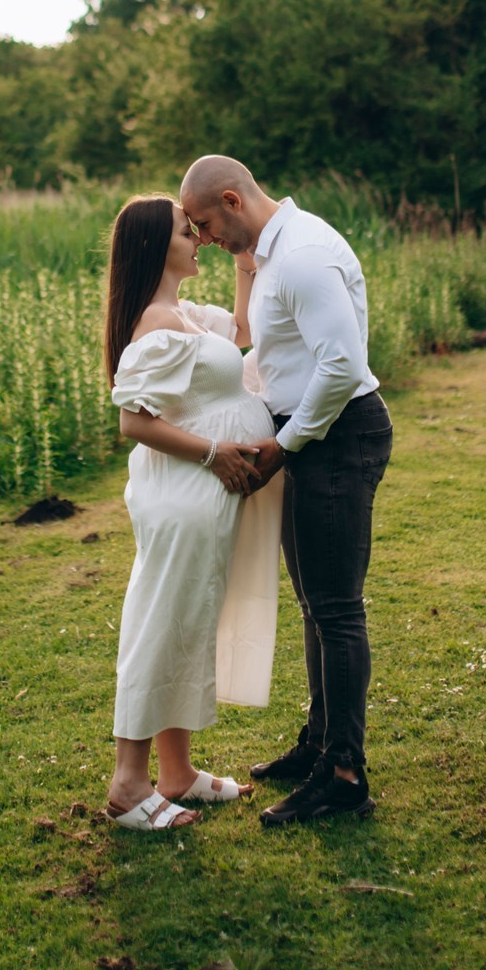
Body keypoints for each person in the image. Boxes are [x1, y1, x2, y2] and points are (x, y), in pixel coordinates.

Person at [179, 154, 389, 828]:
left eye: (206, 224)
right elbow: (261, 348)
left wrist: (281, 446)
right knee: (314, 603)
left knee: (337, 609)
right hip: (313, 436)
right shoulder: (270, 257)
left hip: (337, 436)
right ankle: (318, 744)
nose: (204, 239)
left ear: (234, 200)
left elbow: (340, 364)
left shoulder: (301, 256)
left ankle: (346, 776)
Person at [101, 194, 284, 831]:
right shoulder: (155, 323)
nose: (197, 239)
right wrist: (213, 453)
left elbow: (243, 334)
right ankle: (129, 783)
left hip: (204, 499)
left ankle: (176, 772)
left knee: (189, 620)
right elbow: (134, 421)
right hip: (182, 495)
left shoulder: (182, 313)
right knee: (162, 621)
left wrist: (242, 254)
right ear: (159, 246)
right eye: (189, 232)